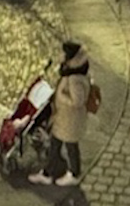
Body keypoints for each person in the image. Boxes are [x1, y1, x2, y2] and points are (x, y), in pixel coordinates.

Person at [28, 41, 93, 188]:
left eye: (63, 53)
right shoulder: (73, 71)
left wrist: (61, 96)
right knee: (62, 146)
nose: (60, 55)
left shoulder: (74, 78)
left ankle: (64, 173)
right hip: (66, 120)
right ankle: (53, 172)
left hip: (69, 120)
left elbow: (77, 101)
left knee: (64, 146)